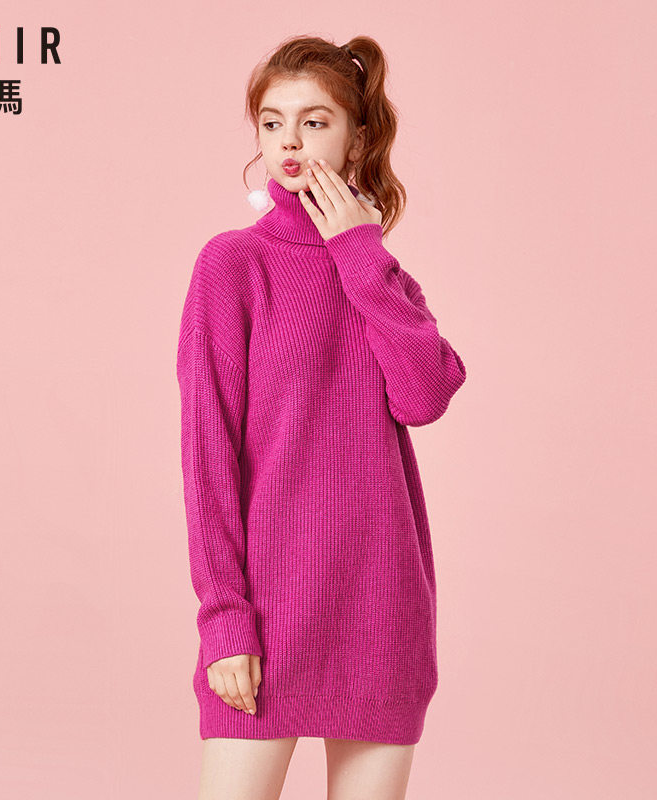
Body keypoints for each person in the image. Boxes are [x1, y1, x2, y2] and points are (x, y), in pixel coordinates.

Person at [176, 34, 467, 800]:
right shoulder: (231, 266)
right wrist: (225, 619)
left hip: (379, 606)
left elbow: (425, 396)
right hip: (266, 612)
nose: (290, 143)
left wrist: (358, 253)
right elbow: (208, 456)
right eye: (273, 123)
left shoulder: (381, 274)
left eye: (314, 122)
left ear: (357, 138)